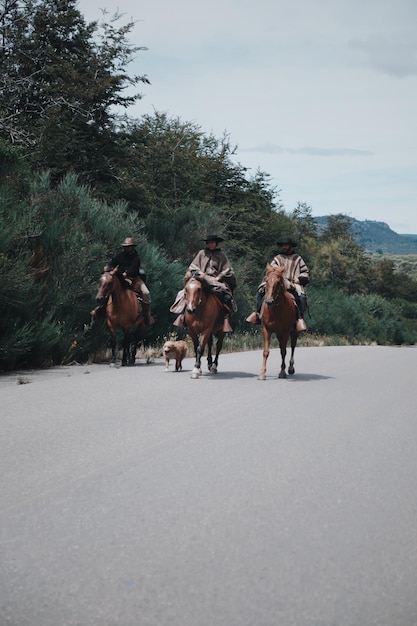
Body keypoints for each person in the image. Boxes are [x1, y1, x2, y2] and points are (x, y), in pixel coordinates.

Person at [172, 234, 237, 331]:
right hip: (201, 277)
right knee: (186, 292)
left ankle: (225, 317)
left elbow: (228, 269)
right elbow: (193, 265)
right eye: (209, 243)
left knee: (226, 296)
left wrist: (220, 276)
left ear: (216, 243)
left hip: (215, 280)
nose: (211, 244)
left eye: (213, 242)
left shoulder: (221, 255)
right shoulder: (202, 253)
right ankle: (182, 315)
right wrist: (199, 273)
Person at [246, 236, 309, 332]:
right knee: (260, 291)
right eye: (283, 245)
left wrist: (300, 279)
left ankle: (299, 318)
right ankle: (257, 314)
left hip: (293, 282)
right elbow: (272, 269)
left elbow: (305, 271)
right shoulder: (277, 258)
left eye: (286, 245)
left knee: (302, 297)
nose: (284, 247)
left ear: (290, 246)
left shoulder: (298, 259)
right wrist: (275, 276)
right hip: (277, 282)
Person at [91, 237, 154, 326]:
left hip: (134, 278)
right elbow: (112, 262)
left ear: (132, 247)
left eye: (129, 246)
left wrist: (126, 273)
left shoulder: (136, 258)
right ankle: (100, 309)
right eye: (125, 246)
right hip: (120, 278)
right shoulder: (120, 256)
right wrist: (108, 267)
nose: (127, 248)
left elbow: (134, 269)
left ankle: (146, 315)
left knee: (146, 292)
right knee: (109, 289)